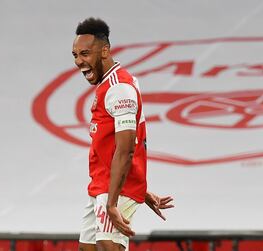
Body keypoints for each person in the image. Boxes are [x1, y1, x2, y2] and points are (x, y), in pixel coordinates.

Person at [72, 17, 174, 251]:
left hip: (113, 189)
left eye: (85, 54)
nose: (79, 61)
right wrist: (142, 190)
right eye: (75, 55)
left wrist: (114, 201)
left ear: (104, 51)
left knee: (108, 245)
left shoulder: (120, 89)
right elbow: (114, 147)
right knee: (87, 247)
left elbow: (127, 149)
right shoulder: (110, 85)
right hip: (102, 182)